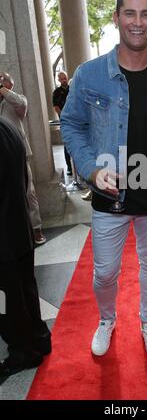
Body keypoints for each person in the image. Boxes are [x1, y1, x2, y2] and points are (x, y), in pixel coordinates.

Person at [61, 0, 147, 360]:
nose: (137, 22)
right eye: (130, 12)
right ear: (116, 17)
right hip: (110, 192)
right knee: (105, 272)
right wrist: (91, 169)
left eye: (145, 13)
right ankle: (107, 319)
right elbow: (71, 124)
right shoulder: (89, 74)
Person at [0, 117, 51, 378]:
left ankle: (23, 352)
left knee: (6, 302)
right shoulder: (7, 127)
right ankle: (39, 338)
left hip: (3, 241)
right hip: (19, 228)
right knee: (25, 289)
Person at [0, 72, 46, 245]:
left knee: (28, 192)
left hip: (16, 153)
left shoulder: (18, 99)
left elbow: (20, 104)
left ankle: (36, 229)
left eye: (2, 79)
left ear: (9, 84)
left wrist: (1, 88)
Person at [52, 71, 72, 175]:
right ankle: (69, 167)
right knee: (67, 144)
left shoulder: (73, 89)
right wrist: (64, 117)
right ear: (59, 80)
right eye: (62, 79)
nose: (64, 80)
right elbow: (56, 107)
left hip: (76, 120)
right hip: (65, 121)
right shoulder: (56, 92)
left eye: (65, 78)